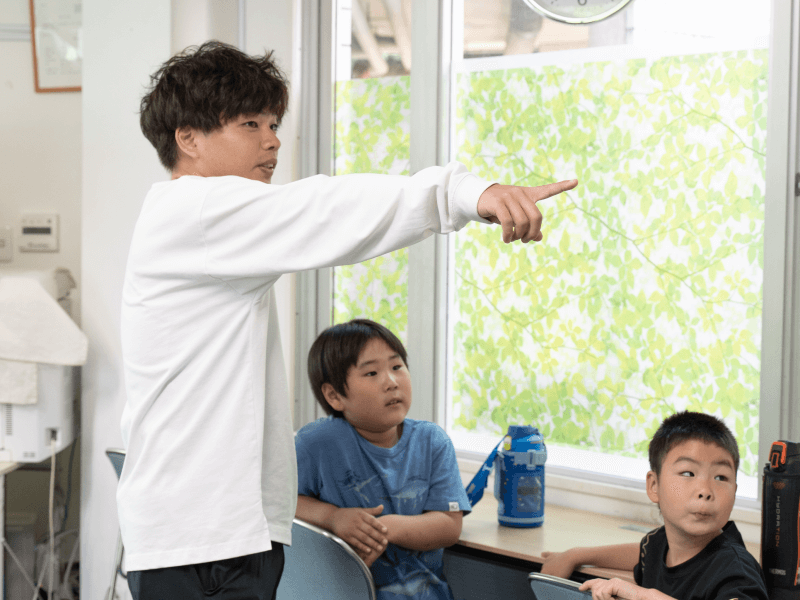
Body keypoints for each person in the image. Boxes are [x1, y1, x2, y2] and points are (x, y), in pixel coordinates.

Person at [119, 40, 577, 600]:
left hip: (226, 532)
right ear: (188, 138)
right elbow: (327, 208)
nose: (272, 140)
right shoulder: (196, 212)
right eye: (250, 124)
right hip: (198, 542)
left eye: (273, 124)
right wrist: (463, 193)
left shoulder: (208, 225)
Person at [295, 319, 470, 600]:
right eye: (372, 373)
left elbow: (449, 525)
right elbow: (279, 501)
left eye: (397, 367)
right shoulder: (316, 443)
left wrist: (382, 529)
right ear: (334, 395)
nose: (391, 382)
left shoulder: (432, 441)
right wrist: (332, 517)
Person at [540, 411, 768, 600]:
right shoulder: (660, 543)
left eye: (721, 477)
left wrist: (642, 595)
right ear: (654, 486)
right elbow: (643, 553)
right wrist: (575, 555)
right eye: (688, 473)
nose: (705, 491)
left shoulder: (736, 571)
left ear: (734, 491)